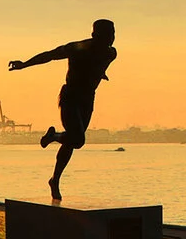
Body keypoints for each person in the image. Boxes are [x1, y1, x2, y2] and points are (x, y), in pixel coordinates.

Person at [9, 19, 118, 201]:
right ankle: (52, 137)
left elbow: (99, 65)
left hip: (88, 99)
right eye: (106, 35)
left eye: (112, 35)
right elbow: (50, 55)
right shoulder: (78, 48)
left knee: (72, 141)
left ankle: (55, 180)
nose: (111, 39)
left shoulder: (111, 53)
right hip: (71, 97)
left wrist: (100, 73)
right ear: (94, 35)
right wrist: (24, 64)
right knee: (78, 139)